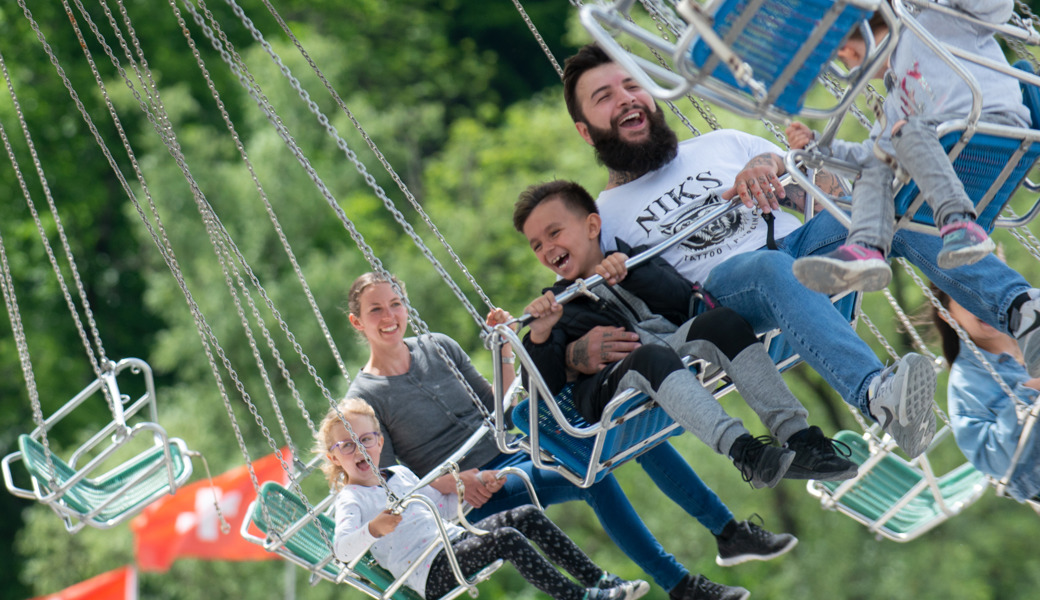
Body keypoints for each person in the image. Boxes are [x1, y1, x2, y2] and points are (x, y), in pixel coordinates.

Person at [558, 42, 1040, 459]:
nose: (626, 100)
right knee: (768, 267)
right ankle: (875, 393)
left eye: (632, 86)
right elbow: (604, 307)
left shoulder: (722, 143)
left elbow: (826, 192)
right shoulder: (603, 218)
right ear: (585, 130)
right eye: (605, 97)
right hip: (722, 295)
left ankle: (1022, 312)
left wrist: (774, 166)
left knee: (888, 205)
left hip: (800, 248)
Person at [345, 271, 794, 600]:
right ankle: (681, 585)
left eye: (395, 304)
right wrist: (459, 483)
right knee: (593, 476)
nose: (389, 317)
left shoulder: (438, 346)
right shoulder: (364, 396)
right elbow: (392, 479)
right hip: (466, 493)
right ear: (357, 322)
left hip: (514, 451)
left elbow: (496, 405)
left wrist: (504, 349)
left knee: (619, 434)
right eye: (376, 310)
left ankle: (727, 530)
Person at [514, 179, 858, 489]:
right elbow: (541, 388)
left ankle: (800, 437)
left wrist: (629, 272)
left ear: (591, 225)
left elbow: (683, 305)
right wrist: (541, 334)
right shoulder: (559, 307)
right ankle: (746, 452)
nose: (547, 249)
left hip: (669, 350)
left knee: (721, 321)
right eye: (537, 246)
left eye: (554, 234)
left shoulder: (635, 260)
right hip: (612, 386)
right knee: (650, 356)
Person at [786, 0, 1027, 295]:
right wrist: (818, 148)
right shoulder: (896, 100)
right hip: (945, 152)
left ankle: (960, 223)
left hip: (993, 125)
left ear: (847, 50)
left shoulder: (934, 21)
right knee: (877, 161)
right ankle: (866, 248)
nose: (845, 63)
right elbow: (866, 156)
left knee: (905, 131)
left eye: (840, 56)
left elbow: (996, 7)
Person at [317, 397, 650, 600]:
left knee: (524, 516)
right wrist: (374, 529)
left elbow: (443, 509)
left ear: (378, 440)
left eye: (365, 439)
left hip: (451, 543)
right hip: (429, 571)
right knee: (505, 539)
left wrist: (473, 486)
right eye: (347, 445)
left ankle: (599, 580)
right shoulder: (352, 499)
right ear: (334, 458)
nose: (359, 449)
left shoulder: (399, 474)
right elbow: (342, 550)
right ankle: (577, 597)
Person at [930, 284, 1040, 503]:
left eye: (986, 293)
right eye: (966, 300)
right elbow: (1000, 463)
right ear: (948, 315)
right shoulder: (967, 382)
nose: (981, 305)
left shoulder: (1031, 325)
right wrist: (1032, 388)